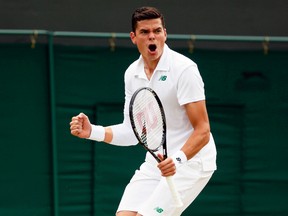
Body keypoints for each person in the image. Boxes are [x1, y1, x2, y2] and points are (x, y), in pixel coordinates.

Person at [70, 6, 217, 216]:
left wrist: (177, 160)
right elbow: (132, 132)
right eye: (145, 32)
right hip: (156, 163)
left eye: (157, 31)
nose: (152, 37)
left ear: (165, 34)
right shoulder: (132, 74)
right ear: (133, 37)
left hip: (192, 163)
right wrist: (92, 131)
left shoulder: (185, 70)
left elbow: (203, 130)